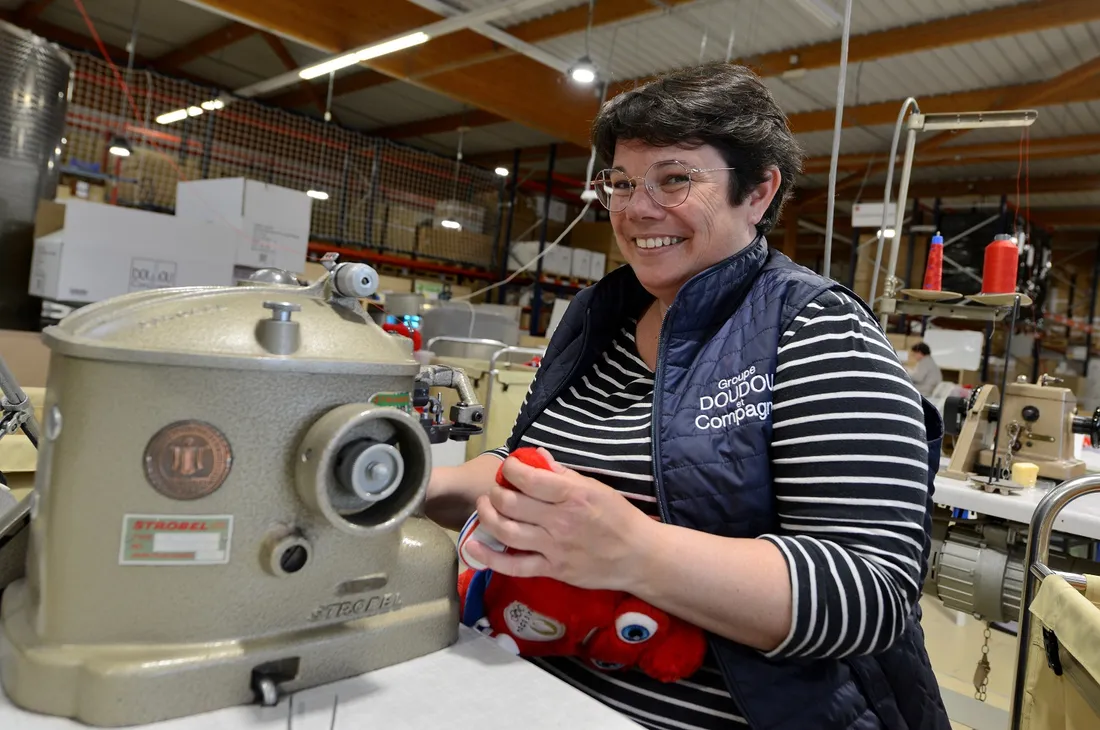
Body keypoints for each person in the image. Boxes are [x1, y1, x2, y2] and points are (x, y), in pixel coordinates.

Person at [426, 62, 948, 730]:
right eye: (621, 182)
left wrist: (636, 551)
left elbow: (870, 594)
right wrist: (416, 486)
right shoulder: (598, 315)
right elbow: (532, 467)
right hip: (537, 688)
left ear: (757, 191)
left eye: (673, 179)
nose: (637, 208)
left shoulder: (816, 327)